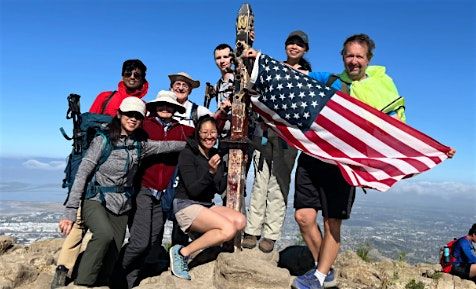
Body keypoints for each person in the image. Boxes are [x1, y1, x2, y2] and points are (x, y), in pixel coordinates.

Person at [291, 33, 455, 289]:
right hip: (313, 156)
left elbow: (397, 131)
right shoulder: (331, 80)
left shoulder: (383, 88)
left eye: (359, 56)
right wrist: (259, 61)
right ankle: (324, 267)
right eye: (349, 55)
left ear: (368, 59)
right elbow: (295, 78)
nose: (354, 61)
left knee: (331, 221)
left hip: (345, 165)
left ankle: (320, 276)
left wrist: (433, 149)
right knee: (303, 217)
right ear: (342, 56)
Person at [58, 97, 186, 287]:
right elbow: (82, 174)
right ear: (119, 115)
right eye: (129, 114)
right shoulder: (103, 140)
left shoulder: (139, 145)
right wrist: (70, 211)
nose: (133, 119)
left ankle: (102, 282)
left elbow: (165, 146)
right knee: (104, 234)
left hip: (122, 202)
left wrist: (197, 145)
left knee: (114, 248)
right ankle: (83, 283)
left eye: (137, 116)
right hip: (96, 198)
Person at [51, 59, 149, 289]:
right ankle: (63, 270)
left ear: (144, 77)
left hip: (115, 181)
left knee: (102, 230)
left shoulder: (143, 105)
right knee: (80, 223)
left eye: (137, 73)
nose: (132, 76)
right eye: (128, 72)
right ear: (122, 74)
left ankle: (88, 273)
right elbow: (87, 130)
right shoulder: (106, 97)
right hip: (93, 166)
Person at [241, 31, 309, 253]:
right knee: (260, 182)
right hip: (265, 131)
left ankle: (270, 234)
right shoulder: (272, 67)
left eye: (299, 44)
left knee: (279, 183)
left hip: (288, 136)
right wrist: (251, 49)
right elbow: (253, 77)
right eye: (291, 43)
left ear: (305, 49)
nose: (294, 47)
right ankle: (252, 229)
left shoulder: (308, 75)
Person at [118, 91, 194, 288]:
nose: (165, 108)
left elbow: (206, 133)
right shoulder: (145, 125)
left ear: (175, 109)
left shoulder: (183, 129)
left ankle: (131, 280)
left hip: (164, 193)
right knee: (140, 241)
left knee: (152, 243)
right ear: (154, 107)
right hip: (142, 188)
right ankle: (116, 274)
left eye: (169, 106)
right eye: (161, 105)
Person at [169, 115, 246, 280]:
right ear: (197, 133)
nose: (209, 136)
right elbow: (193, 190)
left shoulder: (214, 155)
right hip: (186, 204)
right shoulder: (187, 154)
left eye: (213, 132)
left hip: (205, 205)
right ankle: (182, 252)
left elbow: (218, 188)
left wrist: (231, 168)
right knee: (228, 229)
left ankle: (207, 242)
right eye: (204, 132)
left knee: (239, 221)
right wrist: (210, 172)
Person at [168, 72, 229, 246]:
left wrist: (223, 111)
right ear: (171, 87)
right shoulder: (163, 106)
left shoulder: (198, 111)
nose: (180, 88)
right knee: (163, 209)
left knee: (182, 202)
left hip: (187, 164)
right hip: (165, 166)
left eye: (185, 85)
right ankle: (162, 253)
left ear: (190, 89)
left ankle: (180, 248)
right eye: (177, 84)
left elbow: (211, 124)